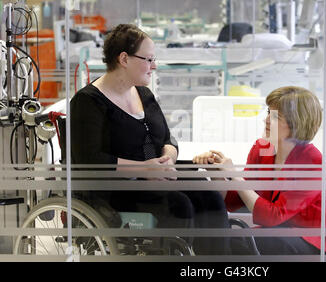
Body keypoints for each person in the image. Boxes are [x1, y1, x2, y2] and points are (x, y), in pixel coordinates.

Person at [70, 24, 230, 255]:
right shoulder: (88, 102)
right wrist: (144, 168)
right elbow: (90, 160)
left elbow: (167, 138)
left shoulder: (144, 94)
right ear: (124, 59)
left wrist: (167, 159)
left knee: (210, 197)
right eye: (149, 59)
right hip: (115, 190)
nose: (154, 66)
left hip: (156, 177)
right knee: (179, 205)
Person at [193, 86, 326, 255]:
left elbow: (272, 216)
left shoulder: (312, 162)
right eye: (268, 112)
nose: (266, 120)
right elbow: (233, 201)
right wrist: (218, 173)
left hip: (315, 243)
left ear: (296, 123)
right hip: (279, 233)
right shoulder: (262, 149)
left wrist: (235, 176)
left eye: (276, 117)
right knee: (216, 240)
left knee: (238, 244)